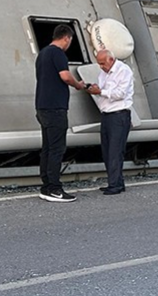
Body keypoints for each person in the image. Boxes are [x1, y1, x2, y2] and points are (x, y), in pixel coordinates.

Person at [35, 24, 89, 202]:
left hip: (42, 106)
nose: (69, 44)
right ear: (66, 38)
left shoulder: (42, 54)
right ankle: (55, 189)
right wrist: (78, 85)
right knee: (57, 149)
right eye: (70, 41)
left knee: (47, 149)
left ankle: (46, 187)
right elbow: (65, 76)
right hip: (55, 108)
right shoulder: (58, 53)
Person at [86, 48, 134, 195]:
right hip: (107, 114)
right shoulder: (103, 73)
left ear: (111, 60)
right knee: (107, 151)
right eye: (99, 63)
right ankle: (116, 182)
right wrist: (95, 88)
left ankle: (115, 184)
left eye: (102, 63)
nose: (101, 66)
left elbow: (120, 94)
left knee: (115, 151)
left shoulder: (123, 70)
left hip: (119, 114)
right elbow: (104, 90)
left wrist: (100, 92)